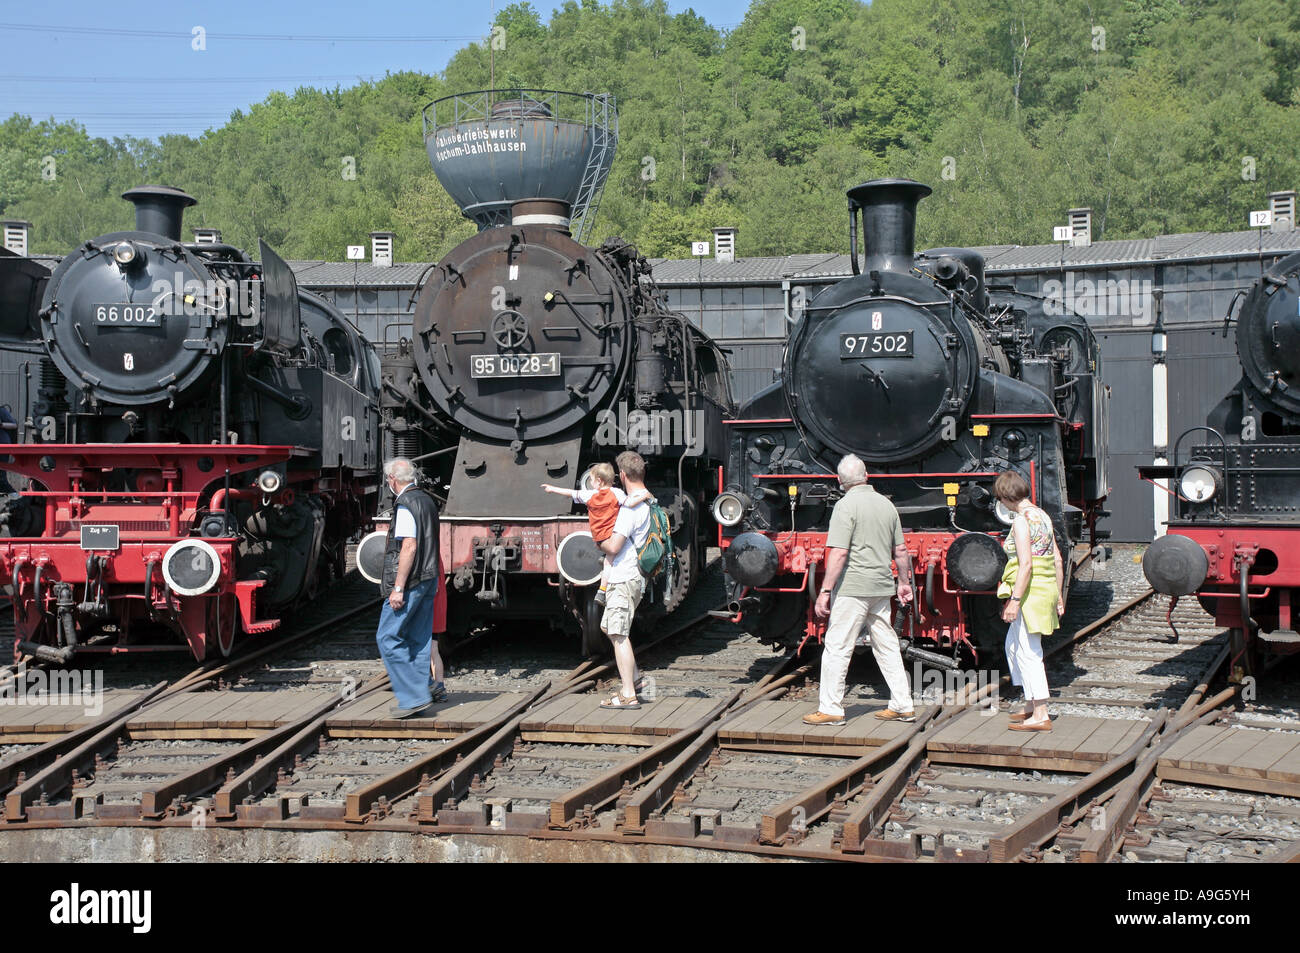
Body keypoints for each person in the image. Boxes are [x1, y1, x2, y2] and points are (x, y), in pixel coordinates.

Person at [804, 454, 915, 727]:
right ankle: (903, 704)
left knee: (837, 646)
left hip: (853, 589)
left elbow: (839, 553)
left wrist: (825, 590)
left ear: (840, 481)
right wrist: (903, 583)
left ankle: (830, 708)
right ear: (866, 475)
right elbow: (900, 550)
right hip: (880, 586)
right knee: (887, 646)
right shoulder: (886, 505)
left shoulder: (845, 506)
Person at [995, 471, 1064, 732]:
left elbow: (1025, 566)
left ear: (1005, 498)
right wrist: (1058, 595)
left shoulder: (1022, 522)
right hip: (1044, 588)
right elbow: (1057, 558)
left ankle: (1041, 713)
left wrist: (1014, 600)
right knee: (1013, 645)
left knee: (1028, 650)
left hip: (1030, 593)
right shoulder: (1043, 516)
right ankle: (1030, 703)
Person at [374, 458, 442, 718]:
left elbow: (410, 546)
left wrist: (398, 588)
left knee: (388, 637)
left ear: (392, 479)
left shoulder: (405, 504)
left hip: (411, 581)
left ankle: (413, 696)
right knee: (418, 638)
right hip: (429, 577)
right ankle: (422, 690)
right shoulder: (426, 499)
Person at [593, 450, 653, 710]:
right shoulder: (648, 499)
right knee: (609, 628)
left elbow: (614, 546)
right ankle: (636, 680)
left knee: (618, 634)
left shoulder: (630, 507)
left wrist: (598, 541)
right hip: (634, 575)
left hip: (624, 575)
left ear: (622, 475)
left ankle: (628, 694)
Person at [541, 463, 650, 605]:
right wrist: (644, 495)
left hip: (598, 538)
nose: (590, 483)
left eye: (591, 480)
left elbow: (570, 493)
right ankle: (603, 590)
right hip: (612, 537)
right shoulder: (616, 493)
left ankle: (603, 584)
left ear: (599, 481)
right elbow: (629, 503)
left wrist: (552, 489)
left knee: (608, 560)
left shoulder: (589, 495)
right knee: (610, 561)